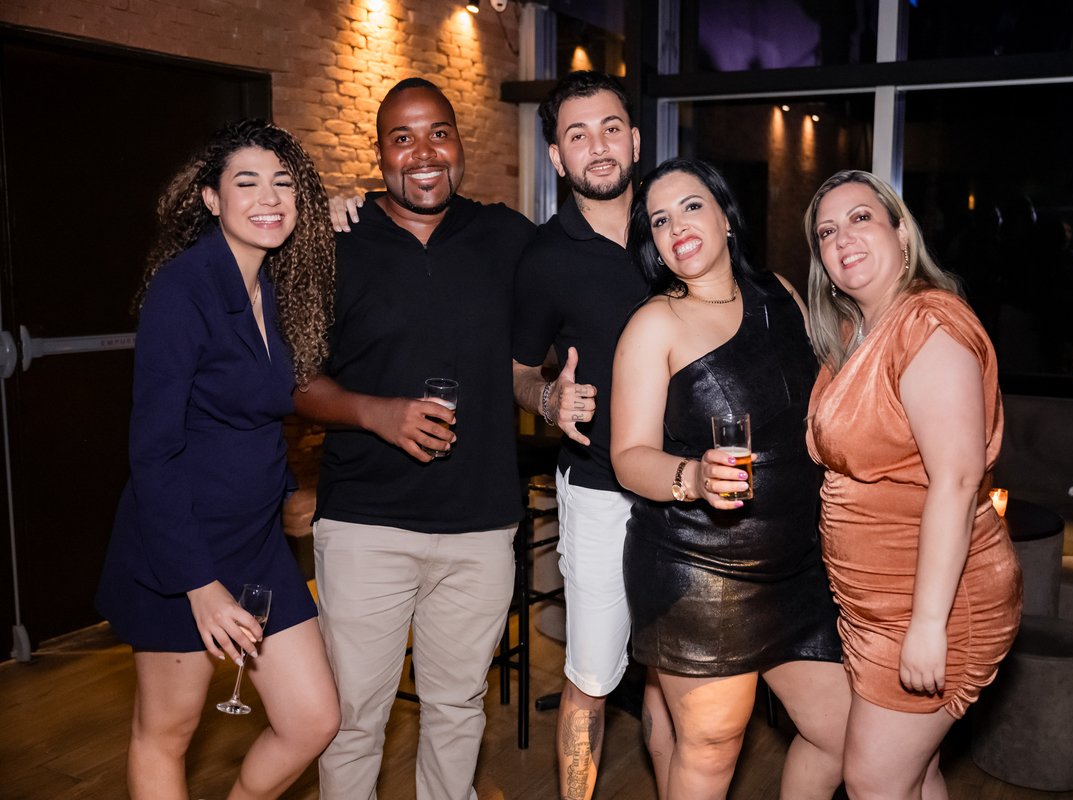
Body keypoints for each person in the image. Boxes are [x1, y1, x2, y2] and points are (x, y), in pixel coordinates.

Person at [294, 78, 536, 800]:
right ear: (379, 155)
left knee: (458, 710)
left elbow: (573, 300)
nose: (423, 152)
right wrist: (379, 414)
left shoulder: (506, 238)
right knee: (351, 719)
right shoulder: (336, 241)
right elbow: (295, 382)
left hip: (480, 526)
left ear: (459, 144)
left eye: (438, 133)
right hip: (366, 525)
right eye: (402, 138)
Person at [94, 118, 341, 800]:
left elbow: (249, 413)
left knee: (313, 718)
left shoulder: (272, 283)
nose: (269, 198)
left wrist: (284, 493)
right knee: (166, 732)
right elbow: (153, 450)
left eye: (283, 184)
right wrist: (198, 585)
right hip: (183, 548)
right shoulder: (184, 289)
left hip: (254, 541)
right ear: (211, 198)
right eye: (247, 183)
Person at [610, 158, 849, 800]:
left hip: (798, 566)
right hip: (697, 567)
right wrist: (693, 475)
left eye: (691, 206)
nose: (677, 227)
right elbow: (629, 455)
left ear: (725, 217)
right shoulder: (655, 323)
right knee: (712, 747)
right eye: (660, 220)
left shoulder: (781, 293)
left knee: (842, 734)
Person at [803, 169, 1022, 800]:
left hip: (933, 602)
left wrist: (929, 624)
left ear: (902, 232)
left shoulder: (927, 323)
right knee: (913, 774)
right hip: (873, 603)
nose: (843, 239)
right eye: (826, 232)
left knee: (872, 781)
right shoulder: (855, 332)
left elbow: (957, 478)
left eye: (861, 218)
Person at [509, 70, 674, 800]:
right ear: (557, 157)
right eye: (577, 135)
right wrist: (549, 399)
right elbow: (517, 372)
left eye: (610, 129)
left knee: (675, 676)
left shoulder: (674, 229)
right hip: (602, 490)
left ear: (635, 140)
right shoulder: (545, 258)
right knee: (592, 679)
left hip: (686, 488)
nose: (598, 146)